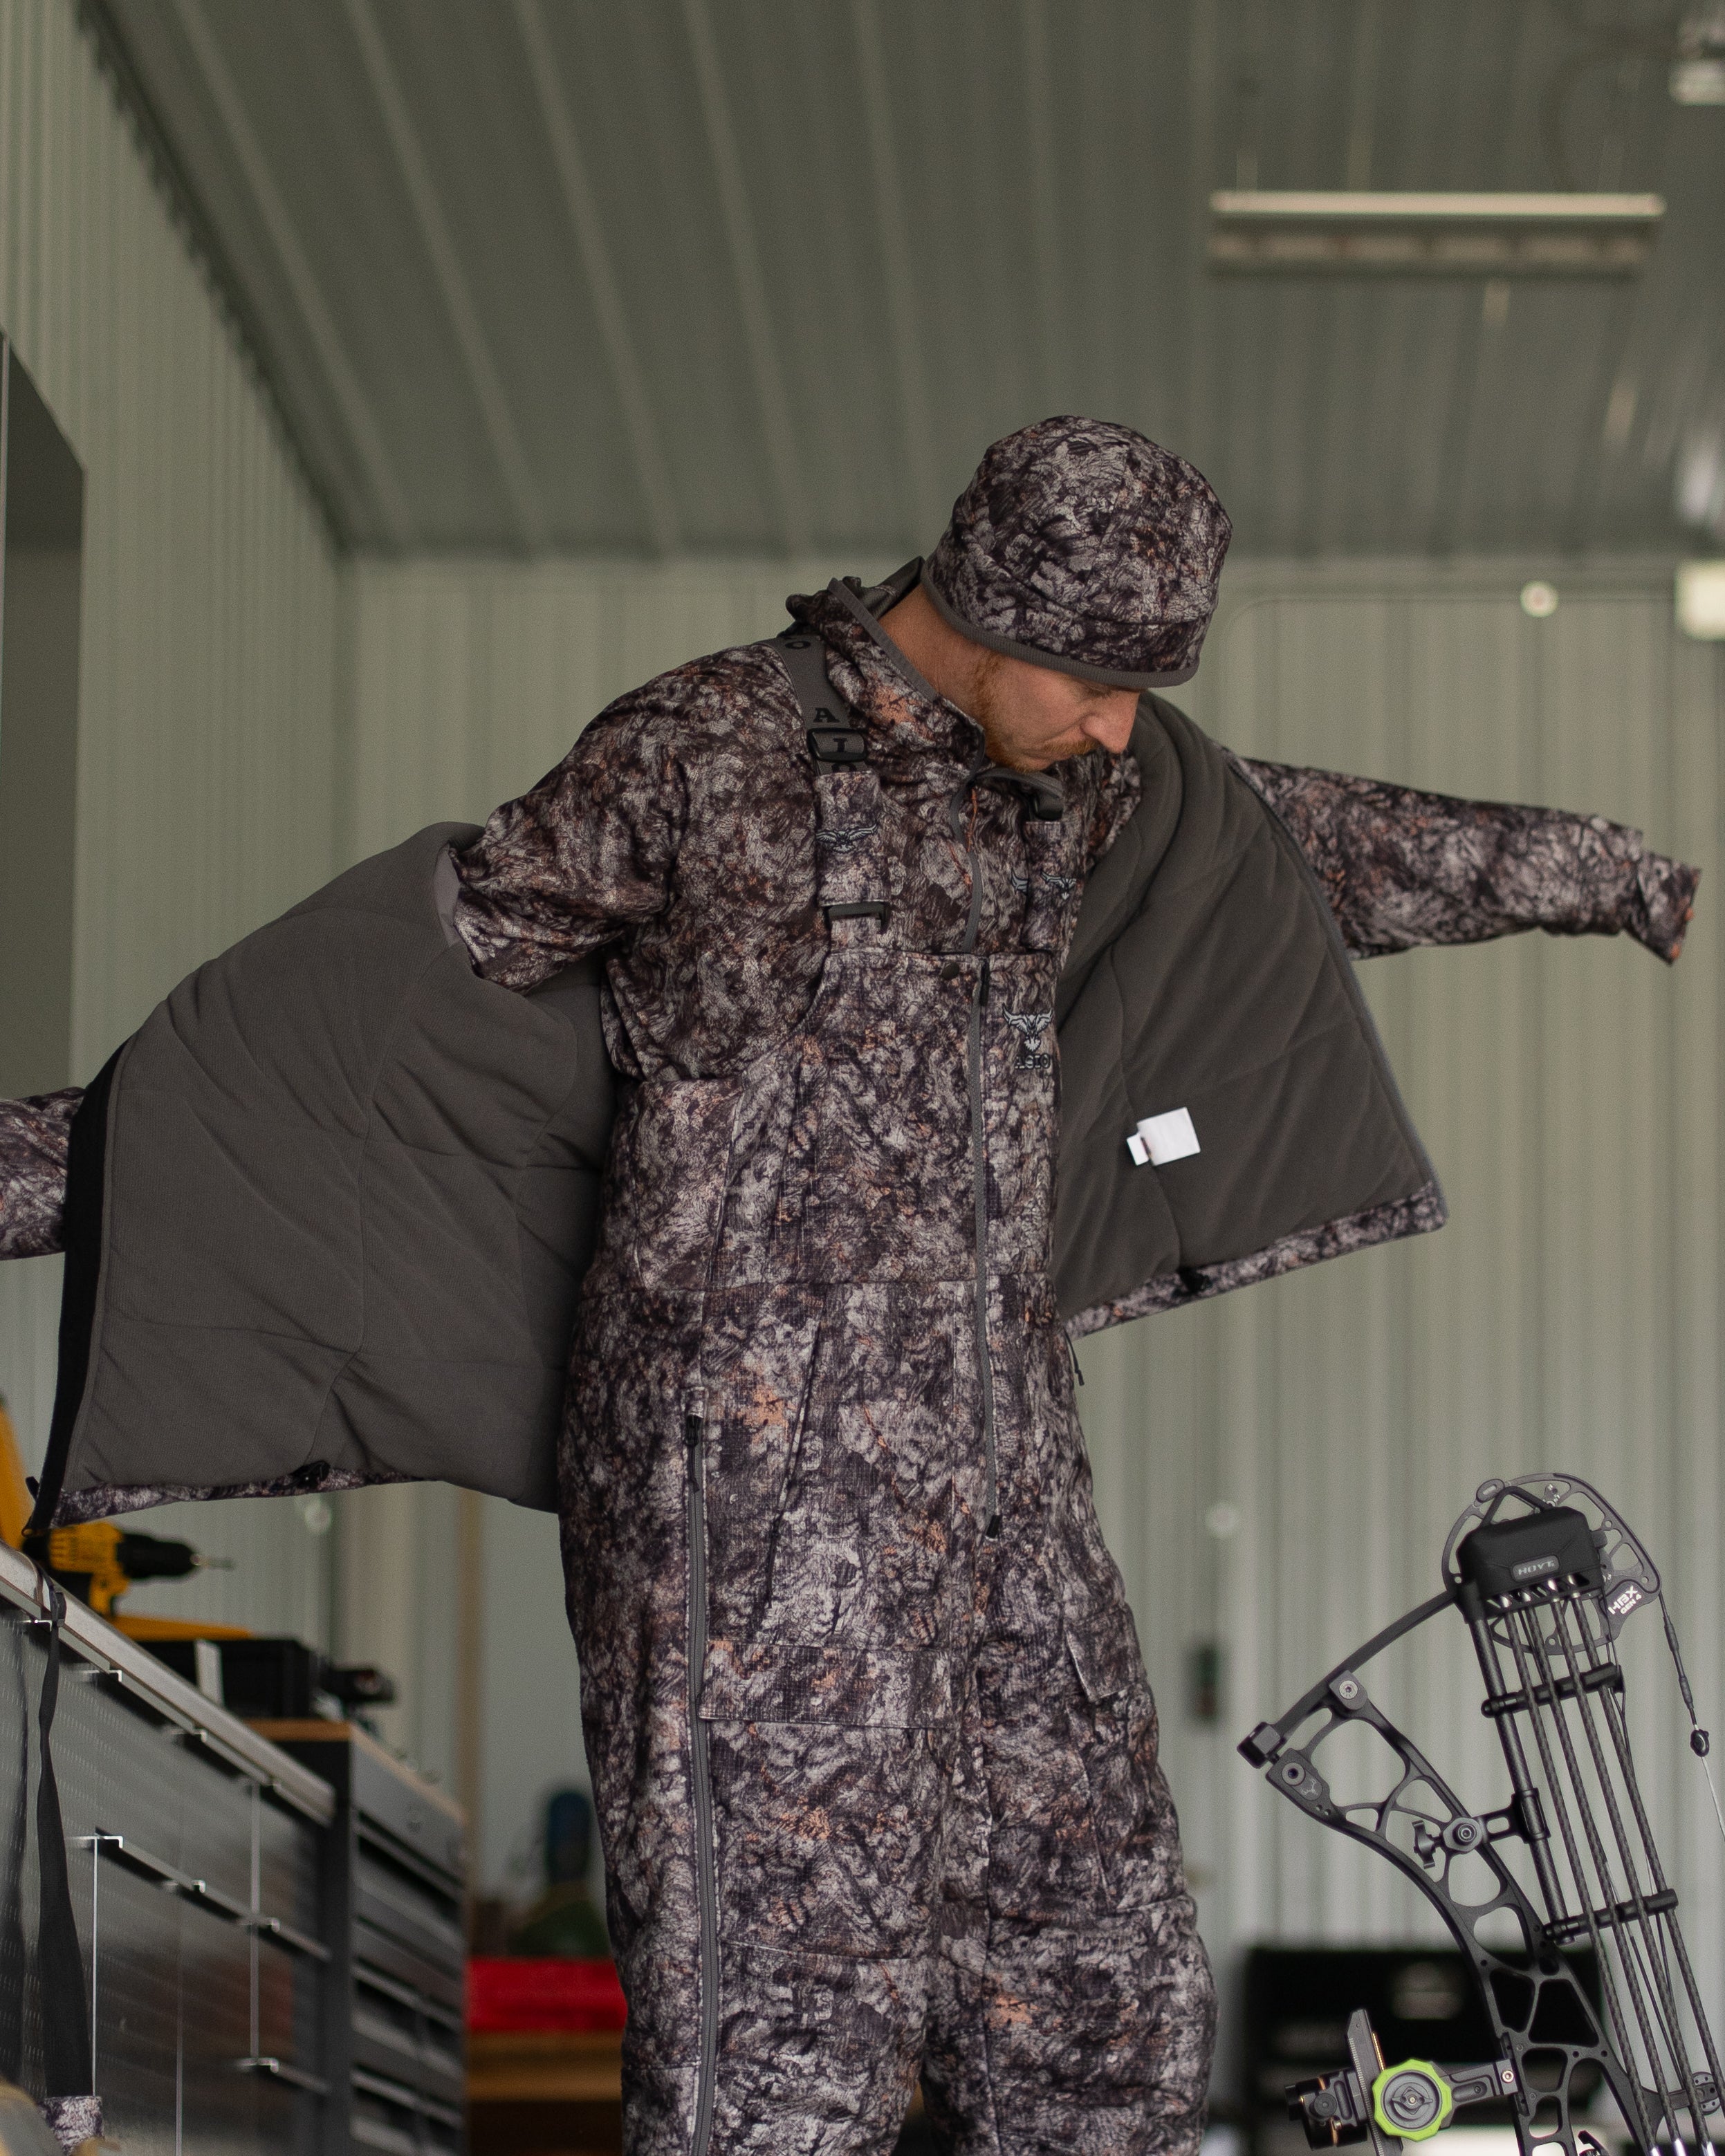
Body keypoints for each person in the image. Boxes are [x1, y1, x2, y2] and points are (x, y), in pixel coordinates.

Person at [0, 418, 1697, 2156]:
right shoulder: (700, 751)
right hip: (752, 1509)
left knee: (1103, 2015)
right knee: (781, 2066)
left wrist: (1608, 872)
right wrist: (54, 1169)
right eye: (1098, 676)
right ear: (982, 601)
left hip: (1006, 1488)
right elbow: (363, 1038)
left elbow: (1311, 844)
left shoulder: (1085, 785)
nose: (1124, 721)